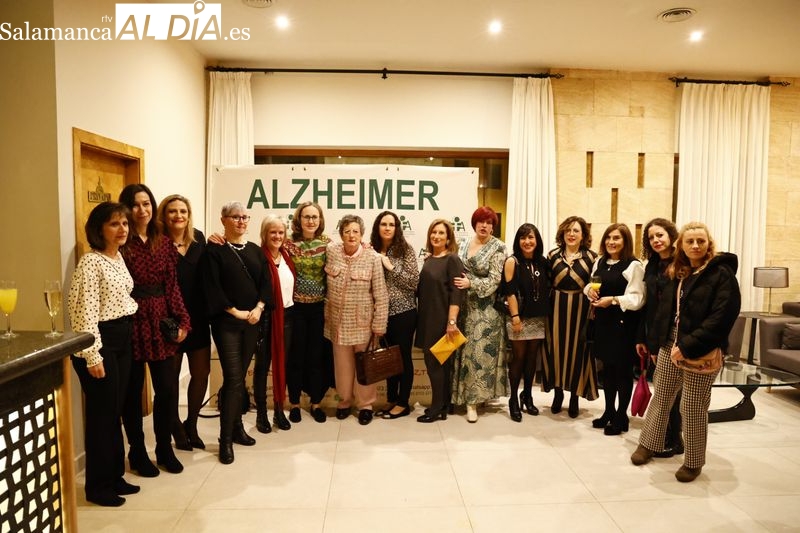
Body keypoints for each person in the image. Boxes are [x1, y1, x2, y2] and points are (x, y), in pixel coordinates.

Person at [631, 222, 741, 482]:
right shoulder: (678, 270)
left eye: (700, 241)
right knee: (662, 396)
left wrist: (688, 346)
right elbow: (664, 312)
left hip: (701, 350)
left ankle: (693, 461)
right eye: (689, 241)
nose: (695, 246)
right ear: (681, 244)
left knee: (692, 406)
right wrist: (659, 344)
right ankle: (649, 443)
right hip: (670, 346)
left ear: (708, 244)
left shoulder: (721, 274)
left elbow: (722, 318)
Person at [68, 202, 140, 507]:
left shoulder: (118, 257)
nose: (122, 229)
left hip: (122, 337)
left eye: (124, 223)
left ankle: (114, 476)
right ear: (99, 229)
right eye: (114, 224)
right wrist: (92, 355)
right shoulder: (90, 262)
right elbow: (84, 313)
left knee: (115, 411)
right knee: (102, 416)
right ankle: (97, 487)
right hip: (100, 341)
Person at [119, 184, 190, 477]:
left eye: (146, 204)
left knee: (167, 390)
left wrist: (183, 320)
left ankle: (164, 448)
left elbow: (172, 285)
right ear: (127, 208)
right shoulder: (121, 242)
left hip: (161, 321)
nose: (142, 210)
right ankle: (137, 451)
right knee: (132, 393)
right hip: (132, 322)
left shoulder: (162, 241)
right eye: (136, 205)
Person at [203, 202, 272, 464]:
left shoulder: (255, 250)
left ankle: (237, 427)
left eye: (245, 217)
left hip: (252, 321)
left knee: (240, 377)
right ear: (224, 220)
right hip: (227, 323)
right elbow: (212, 286)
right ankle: (225, 439)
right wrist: (235, 311)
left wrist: (259, 307)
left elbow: (266, 283)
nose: (241, 221)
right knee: (232, 378)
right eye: (235, 217)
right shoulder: (214, 250)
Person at [157, 194, 211, 451]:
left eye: (183, 211)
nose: (178, 216)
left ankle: (191, 424)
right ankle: (175, 426)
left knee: (201, 374)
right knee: (168, 381)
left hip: (198, 318)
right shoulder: (157, 243)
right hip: (170, 322)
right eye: (172, 211)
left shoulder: (199, 239)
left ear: (189, 215)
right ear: (164, 216)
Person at [324, 214, 389, 425]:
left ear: (361, 235)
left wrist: (379, 325)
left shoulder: (372, 257)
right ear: (341, 234)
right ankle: (344, 401)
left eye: (355, 231)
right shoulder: (331, 251)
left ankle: (366, 405)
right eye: (347, 231)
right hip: (337, 323)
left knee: (365, 366)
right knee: (341, 366)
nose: (351, 235)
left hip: (363, 323)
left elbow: (380, 294)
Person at [585, 223, 645, 435]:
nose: (612, 241)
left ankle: (621, 416)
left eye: (617, 238)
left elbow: (637, 299)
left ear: (625, 241)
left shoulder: (633, 265)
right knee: (607, 370)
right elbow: (591, 283)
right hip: (603, 324)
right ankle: (608, 411)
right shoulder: (600, 261)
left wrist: (612, 300)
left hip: (623, 326)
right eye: (609, 237)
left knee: (622, 372)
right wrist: (589, 292)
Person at [452, 206, 508, 423]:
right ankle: (462, 396)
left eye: (489, 222)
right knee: (462, 353)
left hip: (485, 312)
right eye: (481, 221)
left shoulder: (499, 247)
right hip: (462, 306)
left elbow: (494, 281)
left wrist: (471, 283)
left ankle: (473, 402)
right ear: (474, 223)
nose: (485, 226)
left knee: (477, 357)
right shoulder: (464, 242)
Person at [635, 218, 683, 457]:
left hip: (676, 334)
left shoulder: (682, 264)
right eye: (651, 237)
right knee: (664, 389)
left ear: (672, 236)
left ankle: (675, 439)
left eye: (660, 235)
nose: (656, 240)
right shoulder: (652, 265)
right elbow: (649, 306)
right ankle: (667, 435)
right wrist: (643, 339)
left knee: (673, 391)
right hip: (656, 333)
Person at [544, 216, 598, 418]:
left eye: (576, 230)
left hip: (580, 309)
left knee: (577, 352)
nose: (571, 234)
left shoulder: (592, 257)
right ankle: (557, 393)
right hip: (556, 307)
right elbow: (547, 283)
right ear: (562, 233)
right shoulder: (553, 255)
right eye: (568, 230)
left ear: (583, 235)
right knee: (556, 351)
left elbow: (595, 284)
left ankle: (574, 396)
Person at [284, 201, 331, 423]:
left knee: (316, 357)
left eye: (315, 217)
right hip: (295, 309)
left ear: (320, 220)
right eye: (306, 217)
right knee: (296, 356)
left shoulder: (328, 244)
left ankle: (316, 403)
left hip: (320, 308)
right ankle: (294, 402)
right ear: (299, 220)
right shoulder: (287, 244)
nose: (311, 221)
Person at [370, 211, 419, 419]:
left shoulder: (405, 250)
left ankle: (403, 402)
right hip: (381, 314)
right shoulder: (370, 249)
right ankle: (391, 399)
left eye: (392, 224)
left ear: (397, 228)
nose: (388, 228)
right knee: (389, 360)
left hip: (404, 312)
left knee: (403, 358)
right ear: (378, 227)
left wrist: (389, 267)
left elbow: (413, 282)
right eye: (384, 224)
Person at [416, 219, 465, 423]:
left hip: (442, 319)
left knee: (435, 364)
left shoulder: (452, 259)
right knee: (437, 365)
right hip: (426, 317)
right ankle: (442, 406)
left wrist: (451, 322)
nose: (436, 236)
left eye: (441, 233)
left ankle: (437, 408)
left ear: (448, 238)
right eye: (433, 232)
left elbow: (457, 293)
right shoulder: (429, 260)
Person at [502, 223, 551, 422]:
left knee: (532, 359)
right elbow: (509, 291)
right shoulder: (513, 261)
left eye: (531, 237)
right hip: (518, 318)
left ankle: (527, 395)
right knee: (519, 358)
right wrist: (515, 317)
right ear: (518, 241)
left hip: (538, 317)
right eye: (523, 238)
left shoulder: (543, 262)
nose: (527, 242)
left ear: (537, 240)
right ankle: (514, 399)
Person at [255, 214, 295, 433]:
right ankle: (262, 414)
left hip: (287, 318)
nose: (277, 236)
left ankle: (279, 409)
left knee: (283, 365)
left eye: (281, 232)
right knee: (262, 368)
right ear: (264, 234)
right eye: (273, 232)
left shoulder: (287, 257)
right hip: (265, 320)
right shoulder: (257, 257)